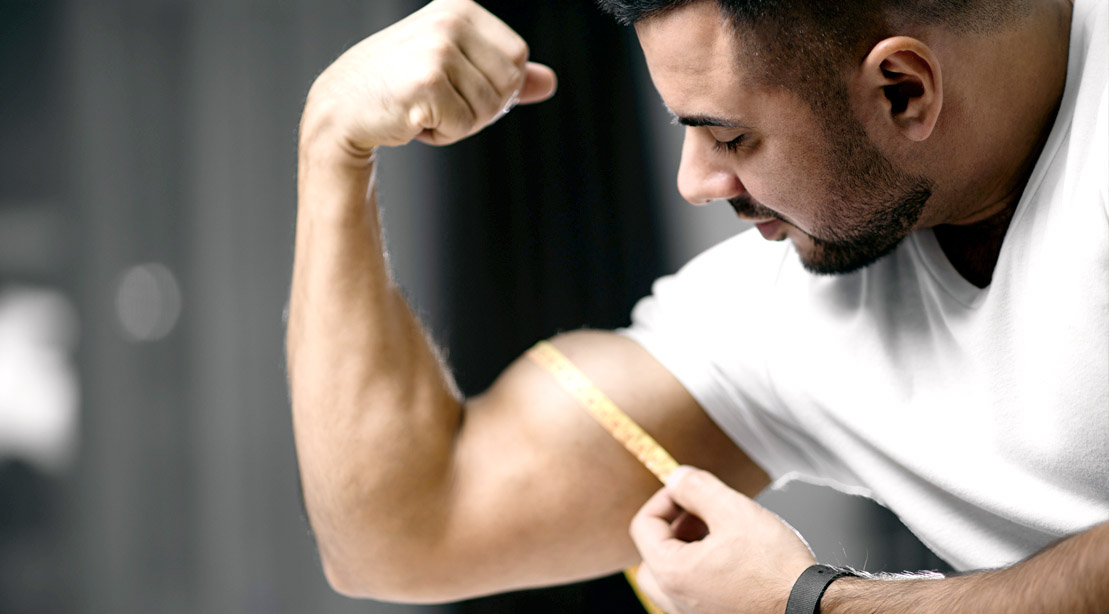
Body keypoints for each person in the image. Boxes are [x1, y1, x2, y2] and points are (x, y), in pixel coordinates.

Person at [287, 0, 1108, 611]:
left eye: (728, 136)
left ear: (901, 90)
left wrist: (811, 604)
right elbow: (406, 532)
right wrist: (332, 145)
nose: (695, 182)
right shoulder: (784, 307)